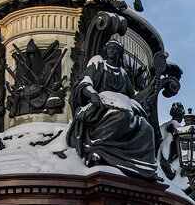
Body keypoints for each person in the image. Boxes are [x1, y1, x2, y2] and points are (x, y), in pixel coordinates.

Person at [67, 39, 157, 179]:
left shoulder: (122, 73)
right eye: (109, 48)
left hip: (122, 106)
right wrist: (92, 94)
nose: (112, 51)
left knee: (146, 128)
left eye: (115, 48)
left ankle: (142, 165)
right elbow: (84, 82)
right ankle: (98, 148)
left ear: (120, 52)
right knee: (123, 116)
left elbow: (133, 98)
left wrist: (150, 88)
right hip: (101, 108)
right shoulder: (98, 64)